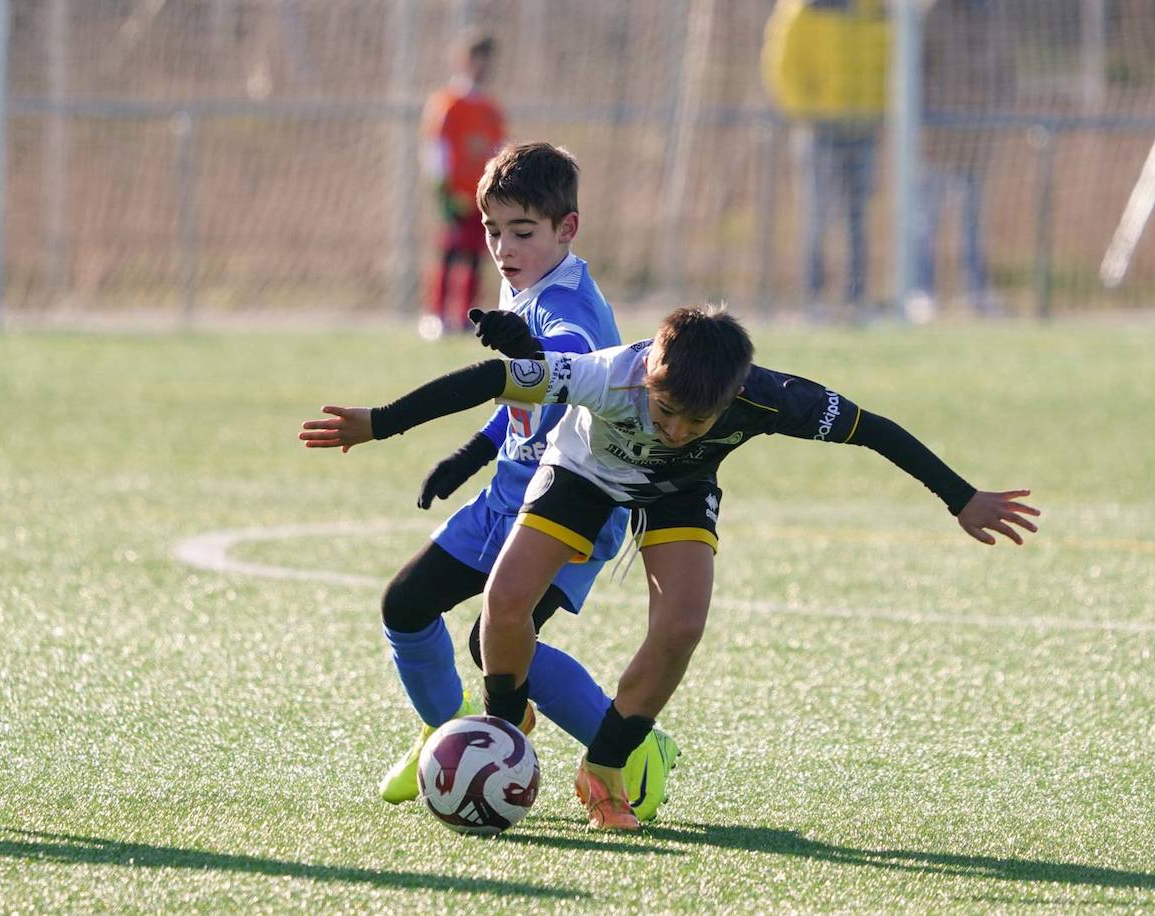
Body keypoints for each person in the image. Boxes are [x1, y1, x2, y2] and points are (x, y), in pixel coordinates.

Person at [300, 304, 1041, 830]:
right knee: (504, 604)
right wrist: (382, 422)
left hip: (682, 493)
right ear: (649, 369)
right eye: (665, 412)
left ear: (732, 398)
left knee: (682, 627)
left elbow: (872, 429)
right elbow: (493, 380)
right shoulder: (604, 375)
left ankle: (607, 768)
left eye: (698, 421)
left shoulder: (774, 398)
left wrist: (961, 497)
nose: (678, 428)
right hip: (584, 476)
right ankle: (503, 725)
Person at [316, 141, 680, 822]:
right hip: (511, 490)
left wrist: (528, 350)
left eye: (522, 232)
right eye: (492, 231)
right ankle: (446, 730)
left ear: (566, 230)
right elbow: (529, 394)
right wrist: (472, 452)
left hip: (572, 504)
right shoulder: (524, 284)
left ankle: (634, 746)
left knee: (498, 643)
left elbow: (563, 360)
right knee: (407, 606)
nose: (504, 248)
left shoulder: (567, 302)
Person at [761, 0, 890, 317]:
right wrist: (807, 112)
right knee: (818, 213)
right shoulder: (804, 10)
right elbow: (782, 66)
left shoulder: (875, 10)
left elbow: (889, 63)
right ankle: (813, 295)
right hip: (819, 128)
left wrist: (880, 110)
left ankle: (856, 296)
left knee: (858, 215)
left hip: (864, 125)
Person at [915, 0, 1015, 317]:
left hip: (977, 137)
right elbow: (915, 72)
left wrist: (996, 112)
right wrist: (929, 116)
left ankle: (976, 291)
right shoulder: (932, 14)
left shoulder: (992, 14)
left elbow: (1004, 72)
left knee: (973, 222)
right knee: (927, 219)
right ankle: (921, 291)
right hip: (938, 139)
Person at [419, 30, 508, 340]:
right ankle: (436, 315)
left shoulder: (490, 108)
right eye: (477, 59)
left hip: (481, 194)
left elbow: (500, 149)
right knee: (448, 251)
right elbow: (436, 147)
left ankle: (465, 316)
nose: (483, 67)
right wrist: (442, 188)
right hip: (455, 192)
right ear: (464, 61)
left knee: (475, 254)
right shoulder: (448, 103)